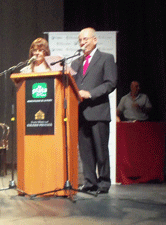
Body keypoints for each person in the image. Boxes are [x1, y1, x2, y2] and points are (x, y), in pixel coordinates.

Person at [70, 28, 117, 194]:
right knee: (86, 152)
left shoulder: (106, 58)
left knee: (101, 151)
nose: (83, 43)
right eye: (80, 40)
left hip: (98, 112)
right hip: (81, 113)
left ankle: (103, 183)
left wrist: (90, 94)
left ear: (95, 40)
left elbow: (110, 83)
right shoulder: (75, 63)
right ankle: (90, 183)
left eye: (86, 39)